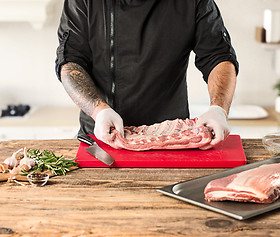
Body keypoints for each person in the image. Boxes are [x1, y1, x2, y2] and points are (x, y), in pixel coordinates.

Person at [55, 0, 239, 150]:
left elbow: (218, 56)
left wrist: (218, 108)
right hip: (103, 137)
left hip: (173, 137)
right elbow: (71, 62)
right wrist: (99, 111)